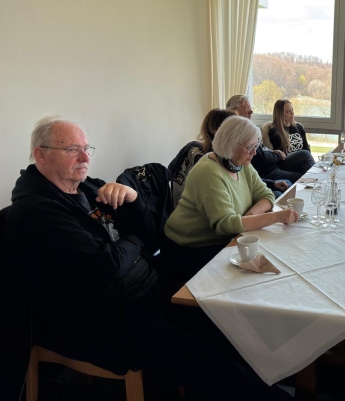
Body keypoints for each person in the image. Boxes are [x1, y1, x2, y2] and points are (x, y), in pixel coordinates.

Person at [4, 116, 292, 400]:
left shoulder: (89, 188)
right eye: (71, 150)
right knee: (203, 359)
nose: (84, 158)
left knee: (225, 326)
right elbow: (108, 266)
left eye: (86, 148)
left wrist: (133, 200)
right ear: (41, 155)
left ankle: (278, 379)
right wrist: (133, 241)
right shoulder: (37, 212)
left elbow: (152, 236)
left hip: (146, 287)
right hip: (102, 315)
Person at [164, 116, 299, 282]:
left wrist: (250, 216)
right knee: (247, 277)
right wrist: (276, 217)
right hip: (189, 248)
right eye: (250, 147)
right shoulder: (209, 172)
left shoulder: (239, 164)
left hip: (222, 239)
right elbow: (226, 225)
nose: (254, 152)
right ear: (231, 144)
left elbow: (266, 195)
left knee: (267, 259)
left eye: (256, 146)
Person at [168, 108, 290, 206]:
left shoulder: (220, 154)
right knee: (276, 196)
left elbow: (242, 180)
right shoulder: (205, 159)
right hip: (201, 213)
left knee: (280, 190)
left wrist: (272, 183)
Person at [226, 95, 314, 183]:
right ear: (234, 111)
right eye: (247, 108)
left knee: (306, 159)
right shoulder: (240, 133)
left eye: (251, 108)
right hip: (271, 171)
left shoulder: (298, 127)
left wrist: (272, 152)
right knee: (306, 178)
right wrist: (278, 155)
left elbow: (262, 152)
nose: (251, 111)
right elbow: (261, 157)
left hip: (273, 167)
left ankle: (314, 182)